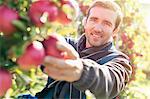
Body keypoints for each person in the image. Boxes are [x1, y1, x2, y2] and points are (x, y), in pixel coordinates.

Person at [19, 0, 132, 99]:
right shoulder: (64, 45)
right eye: (94, 19)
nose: (97, 28)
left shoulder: (119, 61)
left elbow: (109, 81)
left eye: (107, 23)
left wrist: (82, 71)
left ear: (115, 31)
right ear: (85, 22)